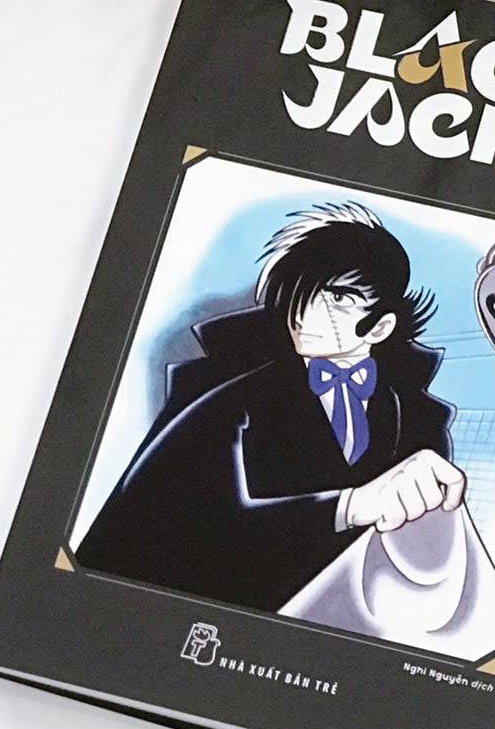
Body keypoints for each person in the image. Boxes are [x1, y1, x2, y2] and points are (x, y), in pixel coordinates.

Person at [77, 203, 466, 612]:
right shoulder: (228, 405)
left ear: (382, 326)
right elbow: (166, 530)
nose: (305, 314)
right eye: (302, 291)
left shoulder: (418, 420)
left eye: (338, 299)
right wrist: (349, 506)